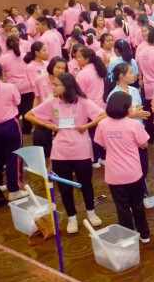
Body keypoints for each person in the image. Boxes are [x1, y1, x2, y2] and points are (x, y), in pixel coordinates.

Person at [25, 72, 106, 233]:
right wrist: (47, 125)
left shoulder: (82, 101)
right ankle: (71, 217)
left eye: (56, 85)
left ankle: (91, 212)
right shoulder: (52, 102)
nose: (53, 87)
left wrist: (86, 126)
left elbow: (103, 115)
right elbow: (29, 115)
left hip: (81, 150)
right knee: (64, 187)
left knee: (86, 184)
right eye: (52, 84)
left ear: (67, 86)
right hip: (60, 152)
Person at [94, 92, 151, 243]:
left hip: (114, 173)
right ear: (125, 108)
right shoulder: (133, 125)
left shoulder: (102, 124)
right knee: (137, 205)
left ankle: (128, 238)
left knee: (122, 208)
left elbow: (102, 144)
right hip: (133, 172)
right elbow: (144, 144)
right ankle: (144, 234)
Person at [107, 62, 153, 208]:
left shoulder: (134, 90)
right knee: (130, 167)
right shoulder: (113, 95)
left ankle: (144, 194)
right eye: (130, 73)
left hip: (138, 132)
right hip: (124, 137)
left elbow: (137, 107)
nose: (134, 75)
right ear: (121, 76)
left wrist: (140, 113)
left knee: (143, 165)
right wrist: (134, 115)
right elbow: (113, 117)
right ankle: (132, 199)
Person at [0, 62, 28, 202]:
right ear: (2, 74)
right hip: (10, 125)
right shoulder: (9, 87)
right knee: (14, 156)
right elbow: (18, 101)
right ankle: (14, 190)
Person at [74, 46, 109, 167]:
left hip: (90, 108)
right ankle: (103, 157)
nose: (77, 59)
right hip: (102, 106)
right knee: (101, 132)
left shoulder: (83, 74)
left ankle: (95, 159)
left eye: (79, 57)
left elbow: (79, 94)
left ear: (87, 59)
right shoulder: (99, 70)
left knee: (92, 134)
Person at [31, 56, 67, 158]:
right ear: (51, 67)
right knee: (39, 140)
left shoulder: (67, 81)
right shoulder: (40, 79)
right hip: (45, 117)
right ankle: (45, 161)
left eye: (63, 68)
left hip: (61, 116)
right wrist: (34, 116)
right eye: (58, 67)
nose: (60, 70)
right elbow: (37, 98)